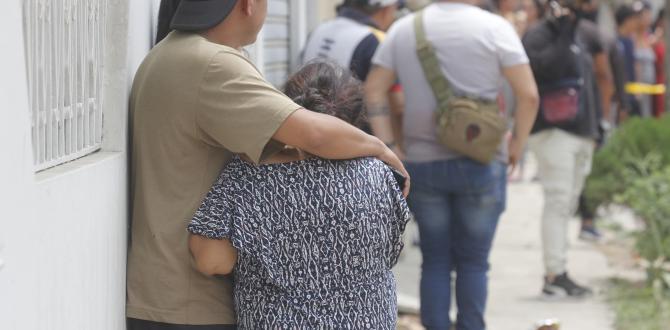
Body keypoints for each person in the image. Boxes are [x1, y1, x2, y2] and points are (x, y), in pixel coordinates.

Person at [127, 0, 409, 329]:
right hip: (189, 299)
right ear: (248, 4)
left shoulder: (169, 54)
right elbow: (313, 133)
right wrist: (379, 149)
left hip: (167, 293)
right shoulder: (211, 64)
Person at [187, 60, 411, 329]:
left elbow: (212, 261)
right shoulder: (382, 174)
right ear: (355, 119)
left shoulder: (248, 175)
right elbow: (391, 250)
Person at [366, 0, 539, 328]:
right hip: (483, 161)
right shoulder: (496, 28)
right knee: (474, 262)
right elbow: (529, 95)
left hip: (422, 163)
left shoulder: (405, 29)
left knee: (434, 259)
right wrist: (517, 143)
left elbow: (373, 89)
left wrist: (389, 146)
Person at [523, 0, 605, 298]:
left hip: (581, 132)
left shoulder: (580, 33)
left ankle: (560, 269)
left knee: (566, 205)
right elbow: (546, 70)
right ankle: (554, 274)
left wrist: (597, 127)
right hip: (553, 132)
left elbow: (589, 84)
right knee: (558, 202)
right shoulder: (539, 35)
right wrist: (560, 30)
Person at [302, 0, 405, 149]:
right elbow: (397, 103)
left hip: (307, 136)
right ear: (386, 9)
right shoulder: (376, 39)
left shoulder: (317, 31)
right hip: (355, 147)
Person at [633, 0, 657, 118]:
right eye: (645, 15)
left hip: (650, 87)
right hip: (638, 87)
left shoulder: (649, 36)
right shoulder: (633, 37)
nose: (648, 18)